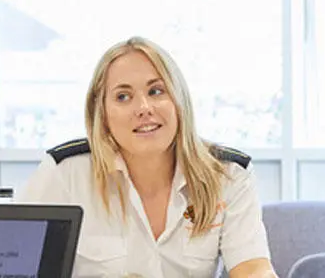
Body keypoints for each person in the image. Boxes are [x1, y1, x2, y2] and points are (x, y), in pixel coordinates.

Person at [20, 37, 278, 278]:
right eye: (123, 97)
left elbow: (253, 268)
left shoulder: (229, 174)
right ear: (102, 113)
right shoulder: (64, 172)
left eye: (156, 91)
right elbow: (22, 266)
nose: (144, 108)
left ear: (179, 101)